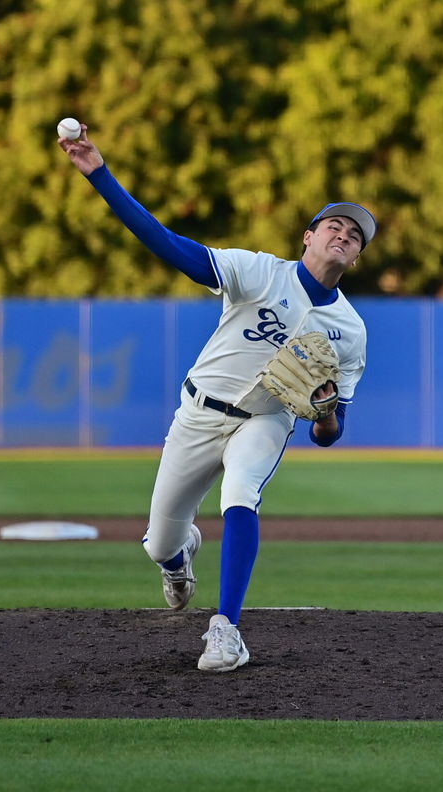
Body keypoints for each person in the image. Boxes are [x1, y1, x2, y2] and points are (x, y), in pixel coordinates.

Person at [59, 122, 373, 672]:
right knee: (158, 543)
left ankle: (226, 630)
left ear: (357, 255)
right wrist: (99, 175)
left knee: (241, 494)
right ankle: (178, 560)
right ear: (309, 234)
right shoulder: (258, 272)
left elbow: (332, 429)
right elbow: (170, 245)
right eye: (335, 225)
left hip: (267, 421)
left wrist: (324, 415)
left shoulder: (350, 331)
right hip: (199, 414)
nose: (343, 234)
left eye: (355, 234)